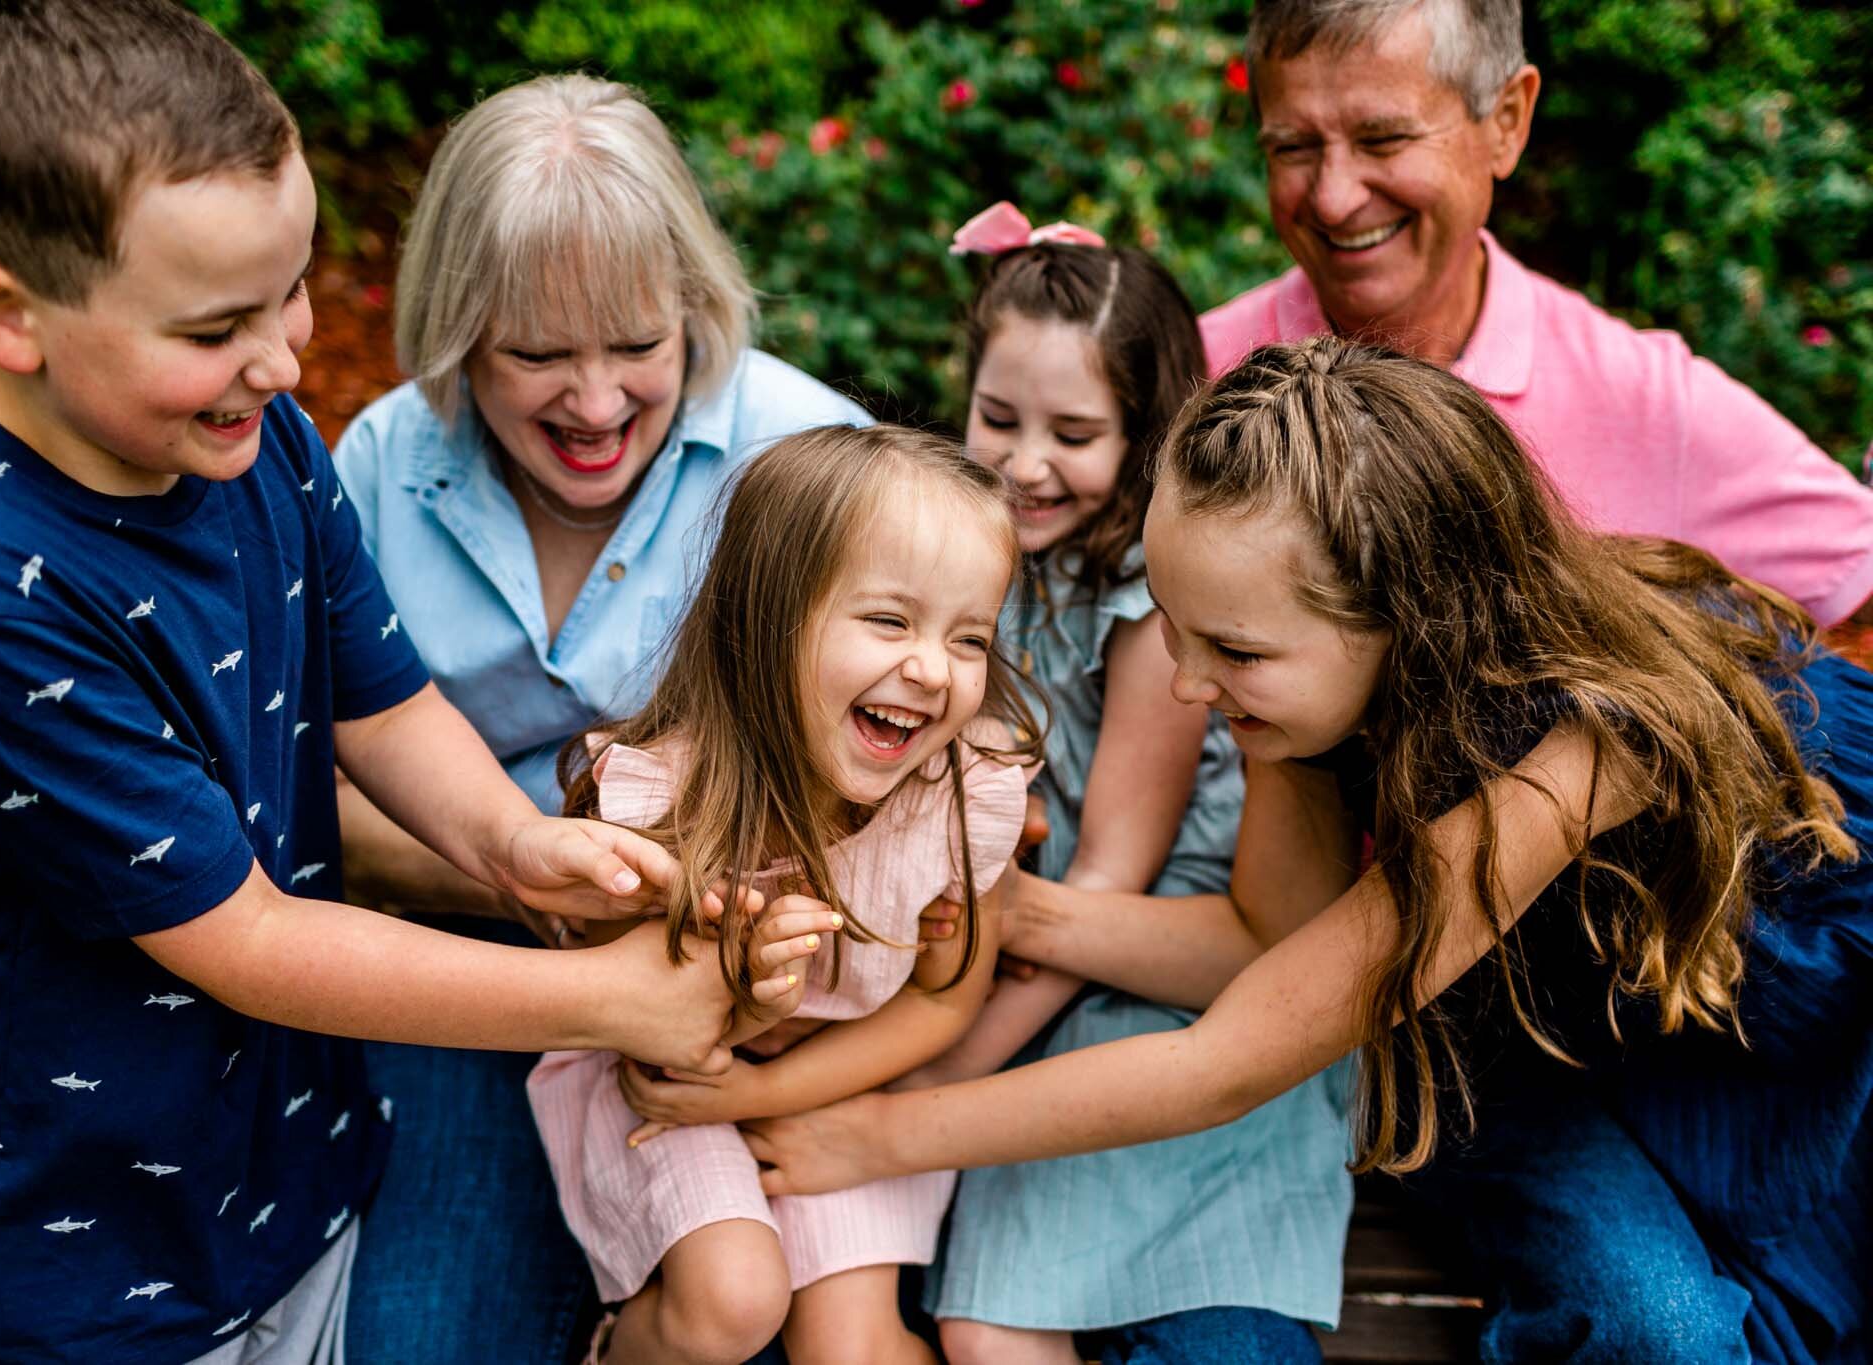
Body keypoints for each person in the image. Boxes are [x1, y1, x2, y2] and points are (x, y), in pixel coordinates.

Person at [0, 7, 744, 1362]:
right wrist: (616, 1001)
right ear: (5, 314)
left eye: (294, 292)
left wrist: (516, 843)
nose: (282, 356)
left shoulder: (250, 438)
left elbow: (378, 700)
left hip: (281, 1159)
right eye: (217, 325)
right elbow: (248, 939)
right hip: (57, 1252)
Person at [744, 338, 1873, 1364]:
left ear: (1406, 620)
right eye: (1174, 628)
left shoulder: (1583, 747)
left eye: (1229, 647)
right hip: (1539, 1046)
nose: (1186, 684)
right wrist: (1018, 913)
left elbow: (1231, 1058)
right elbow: (1263, 945)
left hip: (1789, 1050)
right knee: (1653, 1330)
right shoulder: (1307, 707)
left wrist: (871, 1136)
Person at [328, 76, 871, 1359]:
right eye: (533, 353)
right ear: (457, 332)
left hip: (745, 1005)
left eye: (635, 345)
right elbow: (319, 795)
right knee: (424, 1341)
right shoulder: (384, 463)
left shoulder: (808, 459)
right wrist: (512, 879)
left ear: (693, 305)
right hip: (473, 977)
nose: (591, 402)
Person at [919, 204, 1348, 1364]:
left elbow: (1110, 871)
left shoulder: (1150, 608)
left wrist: (947, 1070)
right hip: (1032, 950)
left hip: (1154, 963)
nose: (1020, 462)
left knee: (988, 1324)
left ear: (1145, 436)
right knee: (976, 1329)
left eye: (1071, 431)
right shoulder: (981, 553)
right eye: (994, 418)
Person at [535, 424, 1033, 1364]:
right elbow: (632, 1022)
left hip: (839, 1080)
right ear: (767, 619)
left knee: (850, 1350)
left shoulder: (965, 804)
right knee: (732, 1300)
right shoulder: (665, 805)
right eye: (889, 621)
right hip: (672, 1084)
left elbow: (944, 998)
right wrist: (736, 986)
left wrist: (769, 1089)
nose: (933, 667)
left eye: (969, 636)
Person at [1203, 0, 1873, 628]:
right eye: (1292, 147)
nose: (1333, 198)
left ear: (1507, 121)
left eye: (1383, 139)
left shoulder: (1647, 401)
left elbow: (1857, 579)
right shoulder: (1188, 372)